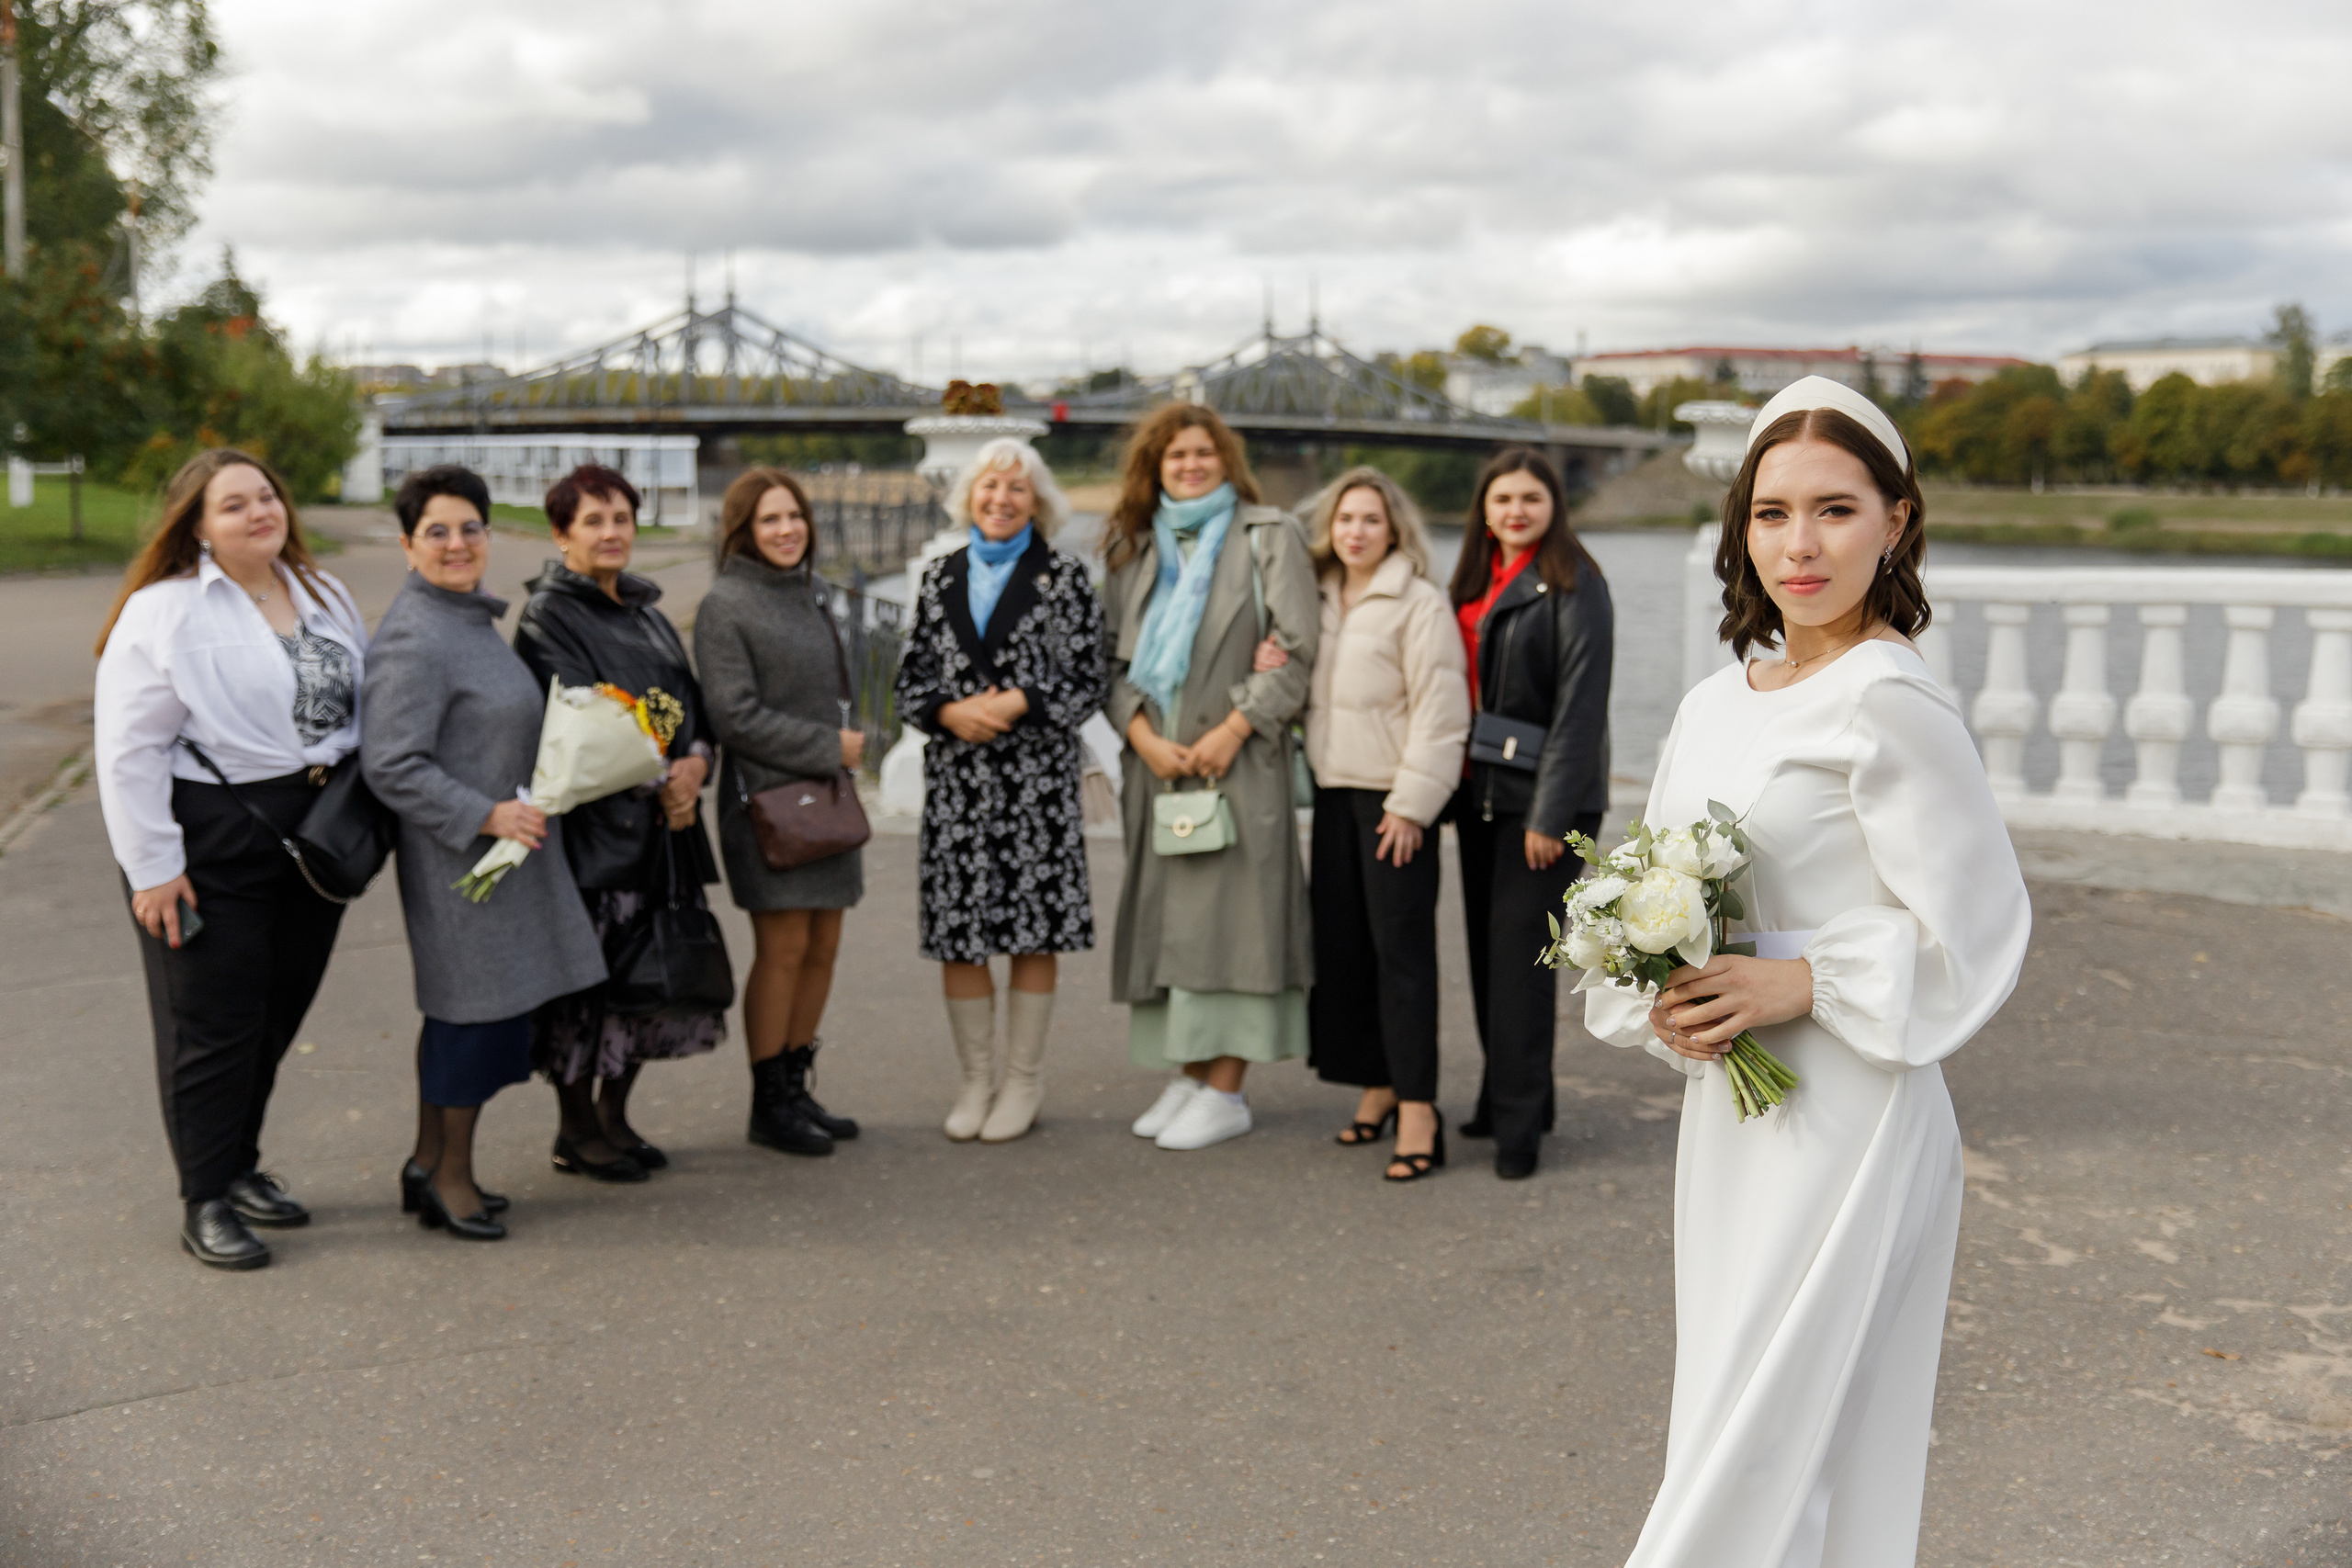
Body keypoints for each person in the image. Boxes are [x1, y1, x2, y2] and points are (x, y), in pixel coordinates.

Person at [1585, 378, 2030, 1567]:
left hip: (1853, 1112)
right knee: (1735, 1411)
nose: (1800, 542)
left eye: (1834, 509)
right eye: (1772, 512)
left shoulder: (1889, 699)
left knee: (1776, 1435)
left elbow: (1978, 930)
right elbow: (1658, 879)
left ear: (1896, 520)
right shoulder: (1711, 702)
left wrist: (1806, 981)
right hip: (1732, 1114)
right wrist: (1661, 985)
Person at [94, 449, 368, 1269]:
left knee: (276, 1011)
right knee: (211, 1025)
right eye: (234, 505)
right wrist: (152, 867)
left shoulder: (323, 591)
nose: (260, 512)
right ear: (199, 525)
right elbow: (127, 748)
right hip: (210, 832)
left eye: (267, 497)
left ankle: (241, 1165)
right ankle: (204, 1197)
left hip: (315, 827)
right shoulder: (166, 609)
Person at [361, 464, 607, 1241]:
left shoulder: (463, 617)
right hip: (459, 862)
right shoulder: (416, 635)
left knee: (470, 1016)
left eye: (470, 528)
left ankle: (427, 1159)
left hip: (499, 861)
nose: (457, 543)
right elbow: (391, 761)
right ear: (408, 546)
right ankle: (451, 1177)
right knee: (470, 1020)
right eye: (437, 531)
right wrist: (485, 813)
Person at [1103, 403, 1317, 1152]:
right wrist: (1141, 737)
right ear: (1154, 468)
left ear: (1226, 460)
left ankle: (1227, 1088)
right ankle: (1192, 1073)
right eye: (1175, 455)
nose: (1190, 464)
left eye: (1203, 452)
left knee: (1236, 927)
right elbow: (1112, 664)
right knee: (1173, 928)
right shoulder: (1136, 549)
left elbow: (1295, 647)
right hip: (1158, 768)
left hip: (1237, 765)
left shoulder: (1268, 536)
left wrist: (1232, 729)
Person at [513, 463, 722, 1182]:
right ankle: (575, 1128)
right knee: (589, 987)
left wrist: (695, 763)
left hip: (663, 830)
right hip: (595, 838)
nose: (611, 532)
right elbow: (584, 724)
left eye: (621, 518)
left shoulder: (648, 612)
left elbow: (687, 706)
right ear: (561, 534)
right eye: (593, 520)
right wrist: (664, 775)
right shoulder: (548, 616)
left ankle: (615, 1116)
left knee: (648, 980)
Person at [893, 438, 1106, 1143]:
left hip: (1034, 784)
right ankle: (976, 1080)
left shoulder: (1066, 577)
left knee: (1031, 933)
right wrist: (948, 712)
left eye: (1017, 488)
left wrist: (1019, 701)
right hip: (958, 783)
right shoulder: (939, 577)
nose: (1001, 499)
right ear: (969, 498)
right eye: (989, 487)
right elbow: (909, 681)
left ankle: (1022, 1082)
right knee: (961, 939)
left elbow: (1087, 680)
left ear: (1037, 500)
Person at [1289, 468, 1468, 1180]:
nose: (1356, 530)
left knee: (1402, 959)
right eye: (1345, 520)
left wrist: (1412, 803)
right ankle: (1379, 1080)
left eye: (1370, 518)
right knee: (1347, 953)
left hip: (1392, 804)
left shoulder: (1418, 602)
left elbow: (1442, 710)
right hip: (1333, 796)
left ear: (1393, 528)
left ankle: (1420, 1105)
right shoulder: (1320, 600)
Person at [1445, 446, 1612, 1179]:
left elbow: (1581, 712)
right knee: (1488, 958)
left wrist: (1551, 815)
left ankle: (1520, 1133)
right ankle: (1508, 1097)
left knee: (1518, 965)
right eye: (1503, 498)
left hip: (1544, 802)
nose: (1516, 510)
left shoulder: (1576, 583)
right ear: (1484, 508)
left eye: (1531, 499)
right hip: (1479, 795)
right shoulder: (1477, 579)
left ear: (1553, 507)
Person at [694, 467, 865, 1158]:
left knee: (824, 946)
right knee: (784, 949)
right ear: (743, 529)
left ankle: (797, 1086)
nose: (786, 529)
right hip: (768, 805)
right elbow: (732, 716)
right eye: (769, 519)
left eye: (793, 516)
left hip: (826, 802)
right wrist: (831, 746)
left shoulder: (814, 592)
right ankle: (769, 1104)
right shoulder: (725, 605)